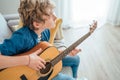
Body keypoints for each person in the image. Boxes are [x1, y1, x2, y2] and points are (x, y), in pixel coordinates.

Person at [0, 0, 84, 80]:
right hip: (27, 75)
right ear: (37, 24)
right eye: (50, 14)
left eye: (52, 11)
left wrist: (66, 51)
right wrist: (28, 60)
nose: (55, 17)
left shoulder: (45, 32)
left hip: (40, 65)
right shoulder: (21, 37)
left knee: (75, 59)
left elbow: (46, 54)